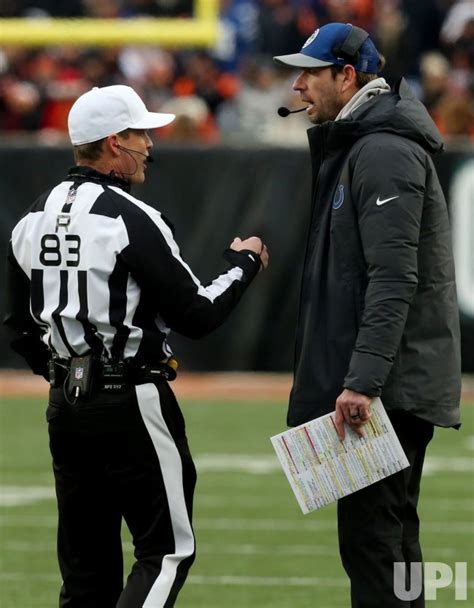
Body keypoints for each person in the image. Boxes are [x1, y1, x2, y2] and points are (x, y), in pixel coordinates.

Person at [3, 84, 268, 608]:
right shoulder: (132, 218)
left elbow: (18, 326)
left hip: (66, 404)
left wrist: (67, 371)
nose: (149, 144)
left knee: (85, 570)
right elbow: (197, 315)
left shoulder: (30, 217)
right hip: (132, 399)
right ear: (112, 142)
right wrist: (243, 265)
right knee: (167, 551)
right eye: (139, 133)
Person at [273, 22, 461, 608]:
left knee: (376, 546)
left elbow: (394, 275)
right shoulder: (367, 144)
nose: (298, 85)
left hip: (386, 390)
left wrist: (362, 381)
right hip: (388, 383)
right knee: (391, 544)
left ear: (347, 75)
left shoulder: (381, 150)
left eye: (310, 72)